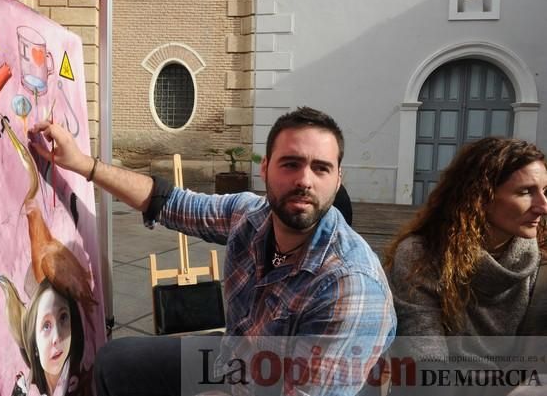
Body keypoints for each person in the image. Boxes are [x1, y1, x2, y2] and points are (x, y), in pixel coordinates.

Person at [30, 106, 396, 395]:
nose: (304, 180)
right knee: (113, 362)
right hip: (236, 362)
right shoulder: (251, 217)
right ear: (265, 168)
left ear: (337, 178)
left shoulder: (350, 286)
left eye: (321, 168)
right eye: (291, 164)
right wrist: (83, 164)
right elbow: (169, 202)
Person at [384, 137, 547, 361]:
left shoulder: (542, 262)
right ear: (481, 197)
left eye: (545, 191)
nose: (543, 206)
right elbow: (424, 353)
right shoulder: (422, 255)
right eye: (526, 192)